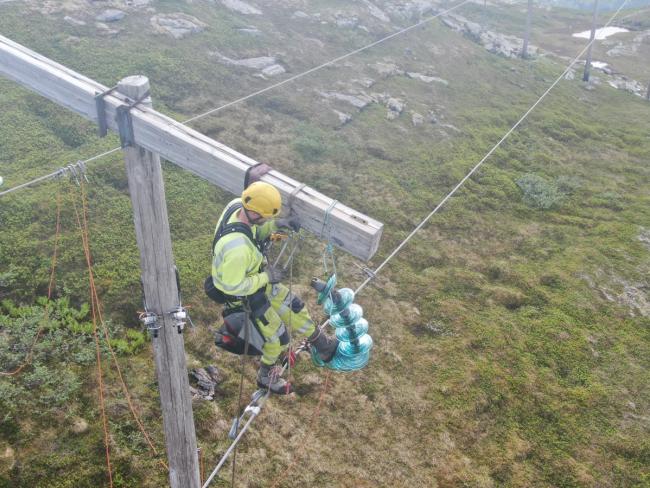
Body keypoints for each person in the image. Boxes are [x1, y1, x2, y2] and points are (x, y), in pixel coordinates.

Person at [208, 181, 338, 394]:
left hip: (254, 280)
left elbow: (254, 230)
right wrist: (266, 277)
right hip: (244, 296)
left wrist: (278, 224)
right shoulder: (237, 250)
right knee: (277, 338)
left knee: (294, 306)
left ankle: (322, 344)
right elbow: (231, 287)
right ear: (255, 214)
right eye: (266, 218)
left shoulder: (237, 205)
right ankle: (265, 375)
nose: (266, 220)